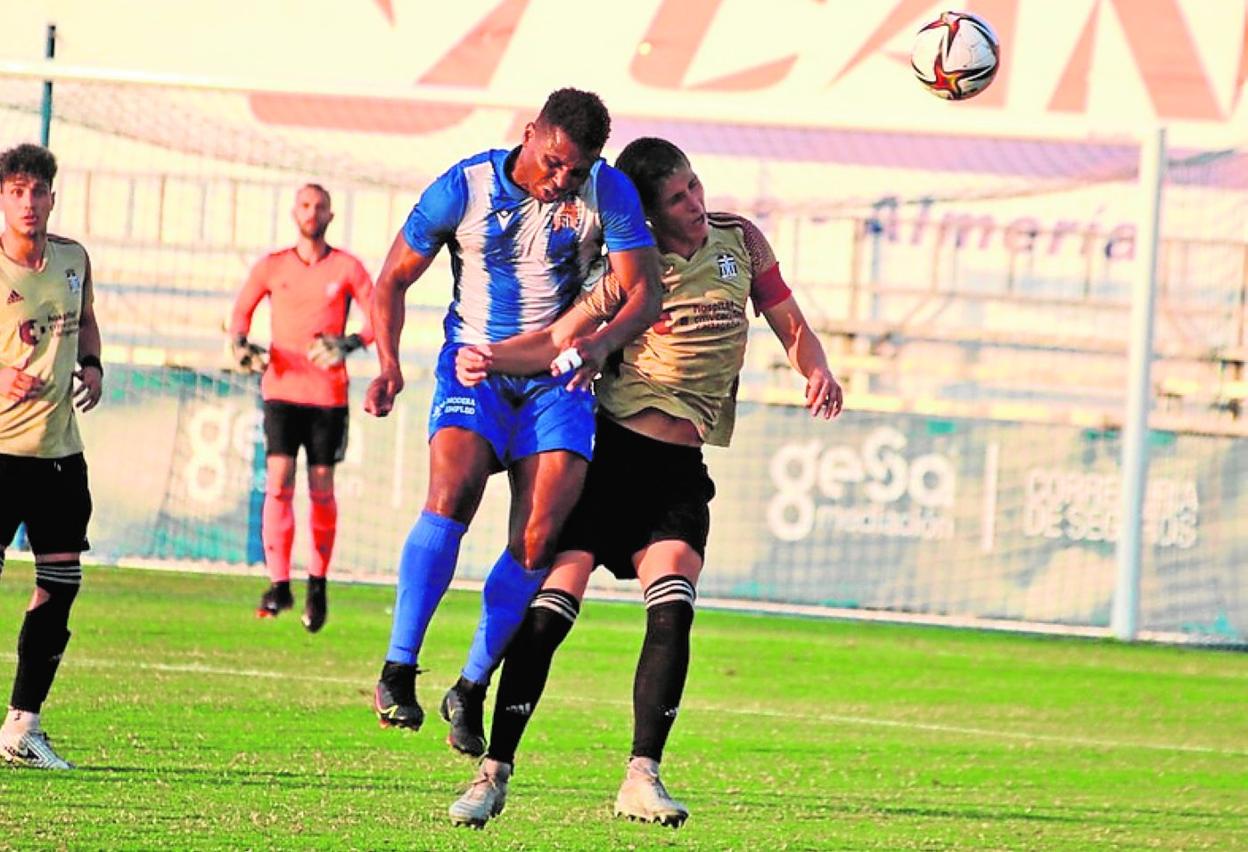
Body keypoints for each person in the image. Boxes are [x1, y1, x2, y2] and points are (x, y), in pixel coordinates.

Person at [443, 137, 843, 828]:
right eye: (679, 198)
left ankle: (641, 776)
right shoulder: (632, 268)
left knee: (674, 606)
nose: (696, 203)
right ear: (649, 216)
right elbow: (560, 335)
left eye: (695, 187)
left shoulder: (741, 242)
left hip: (678, 475)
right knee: (548, 616)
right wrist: (490, 355)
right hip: (609, 463)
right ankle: (493, 773)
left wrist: (816, 368)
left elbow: (790, 322)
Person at [364, 89, 662, 734]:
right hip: (475, 365)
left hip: (558, 378)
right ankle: (397, 667)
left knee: (537, 534)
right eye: (554, 162)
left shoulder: (606, 192)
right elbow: (389, 280)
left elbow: (645, 289)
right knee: (453, 490)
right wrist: (387, 364)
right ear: (530, 134)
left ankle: (472, 684)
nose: (563, 180)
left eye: (576, 171)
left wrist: (599, 344)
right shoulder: (463, 187)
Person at [229, 183, 374, 633]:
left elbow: (377, 319)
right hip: (281, 390)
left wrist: (349, 343)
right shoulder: (273, 267)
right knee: (278, 480)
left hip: (327, 395)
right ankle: (278, 583)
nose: (312, 213)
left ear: (331, 214)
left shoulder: (347, 267)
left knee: (322, 486)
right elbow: (239, 316)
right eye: (306, 205)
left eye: (320, 206)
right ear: (295, 212)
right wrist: (240, 346)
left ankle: (317, 583)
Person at [0, 143, 103, 770]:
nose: (28, 203)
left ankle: (21, 727)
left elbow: (86, 319)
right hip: (0, 453)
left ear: (52, 198)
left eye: (36, 191)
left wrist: (92, 363)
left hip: (60, 455)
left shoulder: (73, 258)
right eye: (15, 191)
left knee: (59, 587)